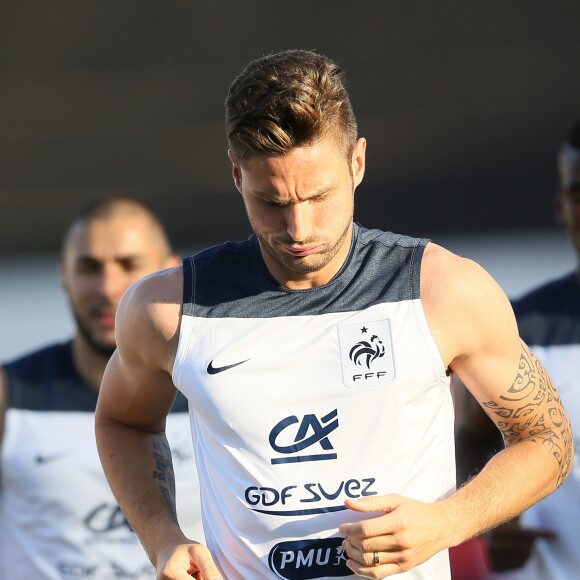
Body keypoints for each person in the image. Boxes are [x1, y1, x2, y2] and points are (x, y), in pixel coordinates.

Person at [94, 50, 573, 580]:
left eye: (319, 196)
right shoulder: (168, 312)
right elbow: (122, 423)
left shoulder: (443, 290)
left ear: (358, 163)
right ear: (236, 175)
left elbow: (548, 440)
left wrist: (446, 523)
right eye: (272, 201)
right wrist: (163, 540)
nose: (298, 228)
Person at [0, 196, 204, 579]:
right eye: (89, 267)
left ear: (169, 273)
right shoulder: (9, 394)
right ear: (64, 276)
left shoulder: (210, 390)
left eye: (129, 265)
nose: (108, 287)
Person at [455, 120, 580, 580]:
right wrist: (493, 523)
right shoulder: (518, 327)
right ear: (560, 207)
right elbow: (471, 438)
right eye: (579, 193)